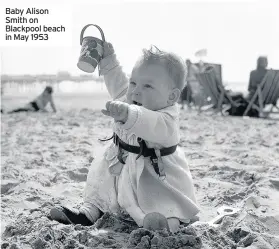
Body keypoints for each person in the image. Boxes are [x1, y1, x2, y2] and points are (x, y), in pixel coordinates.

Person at [50, 43, 199, 233]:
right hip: (121, 163)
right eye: (134, 82)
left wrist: (128, 114)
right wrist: (108, 59)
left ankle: (165, 225)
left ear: (171, 97)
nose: (136, 91)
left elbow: (149, 121)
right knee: (101, 186)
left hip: (155, 174)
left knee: (165, 204)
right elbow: (118, 82)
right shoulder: (131, 97)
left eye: (148, 86)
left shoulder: (167, 120)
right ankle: (89, 212)